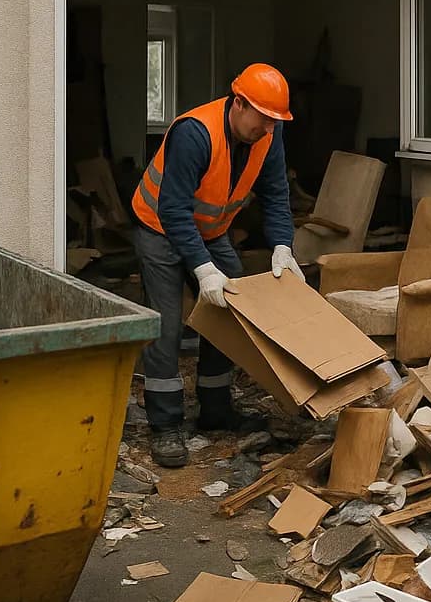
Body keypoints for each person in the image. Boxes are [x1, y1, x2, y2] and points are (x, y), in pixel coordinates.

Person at [130, 63, 304, 468]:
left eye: (275, 121)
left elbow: (276, 195)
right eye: (263, 118)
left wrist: (282, 246)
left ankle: (214, 410)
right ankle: (166, 425)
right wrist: (204, 269)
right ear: (239, 104)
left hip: (210, 230)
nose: (268, 129)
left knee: (230, 314)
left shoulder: (267, 135)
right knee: (167, 325)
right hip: (158, 228)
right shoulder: (194, 132)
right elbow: (173, 210)